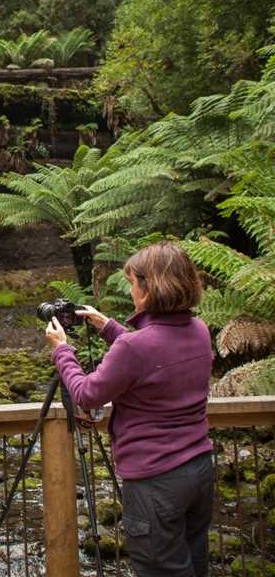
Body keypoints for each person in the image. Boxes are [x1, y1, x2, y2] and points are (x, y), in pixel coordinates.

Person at [44, 241, 214, 577]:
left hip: (156, 481)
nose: (131, 289)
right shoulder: (200, 330)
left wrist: (62, 351)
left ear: (150, 289)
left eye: (134, 282)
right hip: (198, 471)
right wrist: (107, 326)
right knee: (194, 565)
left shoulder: (134, 347)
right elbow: (155, 354)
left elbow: (87, 394)